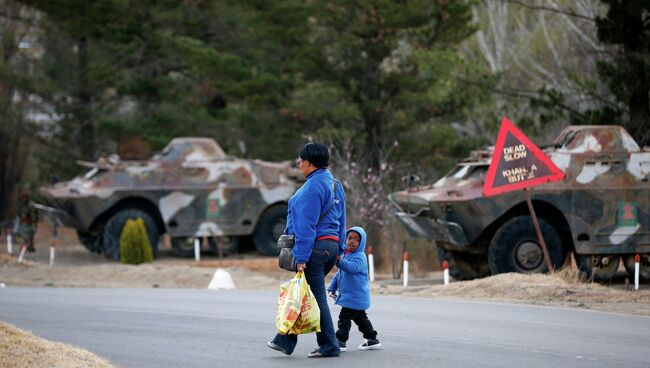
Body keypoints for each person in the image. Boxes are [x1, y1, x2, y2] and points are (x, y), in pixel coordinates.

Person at [267, 142, 346, 358]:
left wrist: (301, 257)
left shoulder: (311, 188)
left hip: (315, 248)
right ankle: (285, 339)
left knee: (316, 296)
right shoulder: (334, 184)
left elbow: (306, 227)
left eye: (301, 160)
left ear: (309, 163)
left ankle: (329, 345)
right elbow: (341, 219)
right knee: (306, 294)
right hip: (330, 247)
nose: (299, 164)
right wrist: (341, 247)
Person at [327, 226, 382, 351]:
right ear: (345, 240)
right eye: (349, 238)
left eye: (356, 239)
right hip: (353, 298)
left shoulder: (360, 256)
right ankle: (372, 339)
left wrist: (338, 261)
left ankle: (340, 341)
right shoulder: (345, 255)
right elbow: (339, 274)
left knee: (344, 318)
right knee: (361, 319)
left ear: (361, 243)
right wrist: (332, 287)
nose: (352, 241)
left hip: (355, 296)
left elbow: (352, 268)